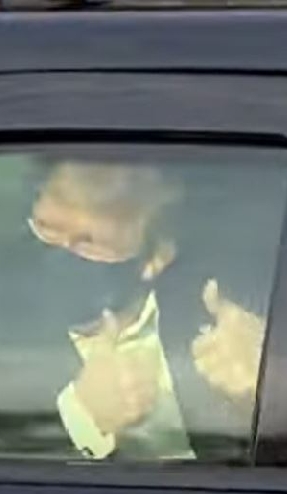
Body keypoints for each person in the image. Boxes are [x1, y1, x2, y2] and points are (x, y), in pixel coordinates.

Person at [27, 160, 269, 462]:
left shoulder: (225, 312)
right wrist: (84, 418)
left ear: (158, 256)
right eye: (46, 229)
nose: (60, 252)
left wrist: (266, 391)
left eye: (90, 242)